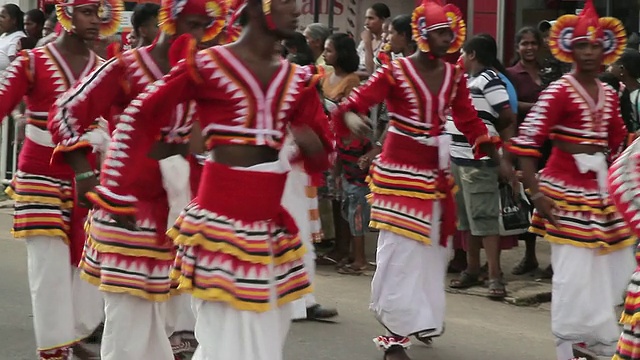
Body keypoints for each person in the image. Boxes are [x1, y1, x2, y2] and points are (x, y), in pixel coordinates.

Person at [75, 0, 333, 358]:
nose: (298, 12)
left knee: (264, 334)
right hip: (205, 221)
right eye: (288, 2)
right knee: (201, 331)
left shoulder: (297, 79)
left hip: (265, 223)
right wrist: (111, 187)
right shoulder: (204, 66)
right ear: (258, 7)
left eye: (201, 25)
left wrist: (312, 140)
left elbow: (324, 154)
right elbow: (138, 116)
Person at [49, 0, 227, 358]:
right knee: (127, 313)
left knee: (157, 315)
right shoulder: (126, 66)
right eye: (191, 25)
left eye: (203, 28)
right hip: (125, 203)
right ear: (170, 20)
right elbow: (66, 112)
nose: (198, 37)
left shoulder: (198, 72)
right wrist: (84, 174)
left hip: (175, 206)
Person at [332, 0, 510, 359]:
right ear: (424, 35)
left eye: (451, 33)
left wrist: (497, 156)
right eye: (441, 33)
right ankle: (395, 333)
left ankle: (418, 317)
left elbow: (469, 120)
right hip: (398, 171)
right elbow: (354, 101)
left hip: (434, 171)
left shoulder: (454, 76)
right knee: (400, 250)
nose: (448, 39)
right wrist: (352, 119)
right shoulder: (395, 72)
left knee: (430, 250)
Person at [506, 1, 636, 358]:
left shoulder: (610, 94)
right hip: (563, 194)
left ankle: (592, 344)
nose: (590, 52)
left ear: (606, 48)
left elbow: (619, 142)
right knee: (573, 276)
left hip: (601, 195)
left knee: (611, 268)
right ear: (569, 48)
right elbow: (527, 144)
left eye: (595, 45)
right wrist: (536, 194)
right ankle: (571, 347)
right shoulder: (559, 91)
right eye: (582, 45)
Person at [0, 0, 123, 358]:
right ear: (67, 15)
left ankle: (71, 337)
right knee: (48, 270)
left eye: (99, 13)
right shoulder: (32, 62)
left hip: (86, 178)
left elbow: (117, 122)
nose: (95, 21)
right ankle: (55, 349)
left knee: (85, 268)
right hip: (39, 173)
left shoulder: (103, 69)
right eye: (86, 12)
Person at [448, 34, 516, 299]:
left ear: (472, 54)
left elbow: (507, 116)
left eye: (463, 53)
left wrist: (493, 141)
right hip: (458, 158)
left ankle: (495, 276)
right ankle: (472, 268)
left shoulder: (490, 80)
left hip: (480, 159)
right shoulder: (464, 81)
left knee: (485, 218)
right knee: (466, 218)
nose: (460, 59)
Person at [609, 49, 640, 134]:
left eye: (612, 65)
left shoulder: (638, 98)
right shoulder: (619, 92)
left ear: (621, 69)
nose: (609, 69)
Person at [356, 2, 389, 78]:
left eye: (371, 18)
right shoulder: (363, 43)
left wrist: (367, 43)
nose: (366, 23)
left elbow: (372, 72)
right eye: (366, 18)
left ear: (383, 20)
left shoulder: (386, 44)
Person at [0, 4, 26, 71]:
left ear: (14, 20)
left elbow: (15, 67)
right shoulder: (4, 35)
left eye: (2, 17)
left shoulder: (18, 38)